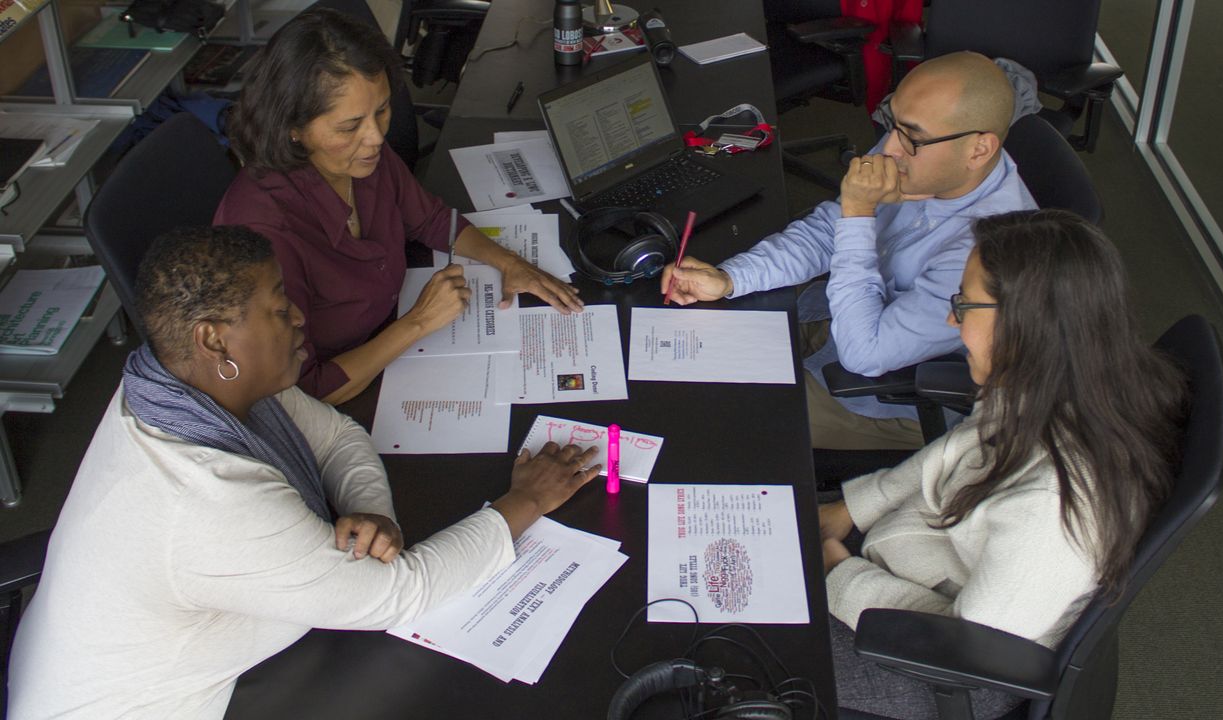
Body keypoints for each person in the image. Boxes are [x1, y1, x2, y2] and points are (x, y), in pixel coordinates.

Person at [6, 226, 601, 720]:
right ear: (214, 339)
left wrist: (373, 518)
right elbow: (402, 594)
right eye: (276, 307)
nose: (297, 318)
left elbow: (341, 437)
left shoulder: (186, 386)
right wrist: (525, 502)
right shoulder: (206, 499)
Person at [818, 210, 1187, 718]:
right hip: (912, 564)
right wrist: (848, 510)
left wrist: (839, 571)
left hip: (941, 667)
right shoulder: (1059, 386)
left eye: (965, 304)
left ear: (1026, 322)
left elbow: (968, 643)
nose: (953, 319)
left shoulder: (1055, 506)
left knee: (727, 641)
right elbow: (960, 449)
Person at [662, 52, 1037, 450]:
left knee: (708, 414)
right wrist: (731, 278)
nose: (888, 146)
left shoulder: (988, 247)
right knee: (687, 351)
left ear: (979, 149)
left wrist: (860, 212)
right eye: (891, 121)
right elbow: (828, 231)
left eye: (911, 136)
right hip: (837, 313)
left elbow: (866, 353)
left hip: (888, 390)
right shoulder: (912, 150)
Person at [215, 8, 584, 405]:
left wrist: (509, 262)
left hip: (393, 340)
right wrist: (420, 321)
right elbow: (304, 392)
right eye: (349, 126)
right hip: (348, 393)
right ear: (293, 129)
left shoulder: (359, 158)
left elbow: (431, 219)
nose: (375, 137)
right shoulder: (265, 235)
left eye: (383, 110)